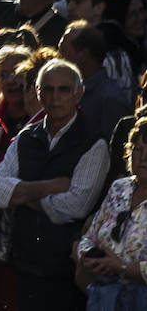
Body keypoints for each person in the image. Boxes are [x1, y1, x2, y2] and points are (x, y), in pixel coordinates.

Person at [0, 58, 110, 311]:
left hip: (65, 269)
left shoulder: (93, 142)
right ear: (38, 94)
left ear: (79, 93)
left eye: (63, 89)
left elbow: (76, 206)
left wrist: (20, 194)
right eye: (49, 89)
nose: (56, 97)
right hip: (22, 262)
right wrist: (50, 186)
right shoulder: (26, 137)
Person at [77, 116, 147, 311]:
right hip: (103, 298)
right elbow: (89, 237)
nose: (143, 159)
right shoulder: (119, 188)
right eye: (138, 149)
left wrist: (122, 267)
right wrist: (89, 256)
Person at [59, 21, 131, 143]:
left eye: (63, 50)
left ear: (83, 54)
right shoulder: (64, 91)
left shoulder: (110, 100)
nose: (58, 56)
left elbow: (118, 149)